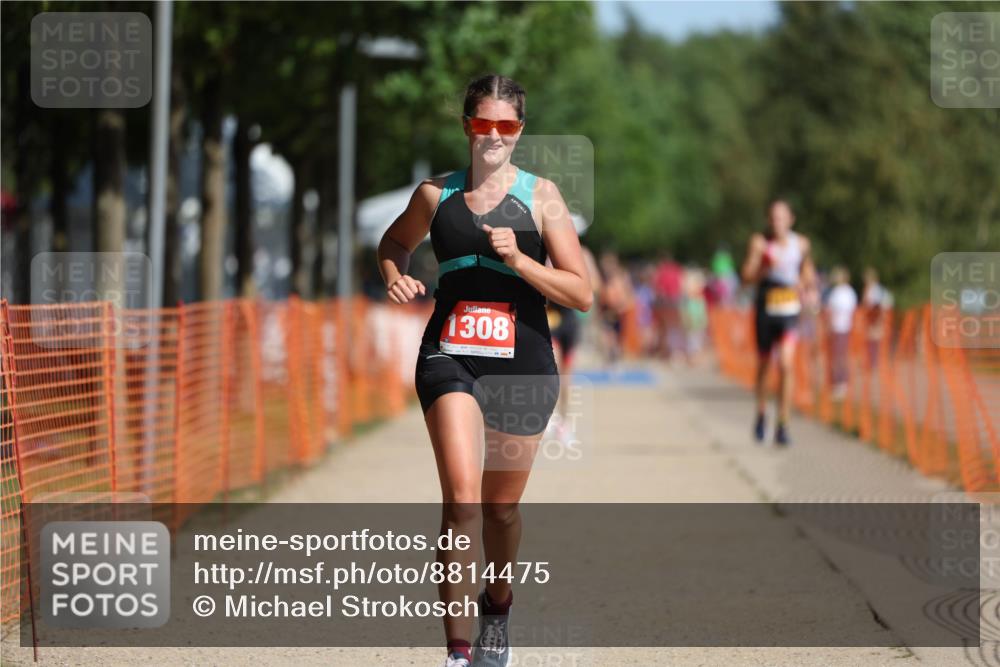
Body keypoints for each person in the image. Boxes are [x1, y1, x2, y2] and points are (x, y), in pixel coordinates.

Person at [376, 74, 592, 667]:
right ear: (466, 126)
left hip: (524, 361)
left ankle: (497, 603)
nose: (493, 136)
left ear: (519, 131)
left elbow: (580, 293)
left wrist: (520, 258)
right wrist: (396, 275)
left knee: (500, 509)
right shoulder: (434, 194)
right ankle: (458, 650)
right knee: (463, 502)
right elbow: (393, 244)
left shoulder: (542, 197)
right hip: (451, 354)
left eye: (506, 126)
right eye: (481, 124)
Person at [740, 199, 817, 446]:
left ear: (791, 220)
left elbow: (808, 274)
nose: (777, 223)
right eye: (773, 218)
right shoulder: (760, 243)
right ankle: (762, 413)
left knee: (785, 364)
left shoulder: (801, 244)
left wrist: (806, 286)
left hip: (789, 308)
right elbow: (746, 276)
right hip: (765, 305)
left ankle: (783, 423)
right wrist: (764, 266)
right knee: (764, 364)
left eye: (781, 218)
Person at [825, 266, 858, 400]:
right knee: (836, 356)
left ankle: (841, 382)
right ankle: (837, 382)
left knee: (841, 356)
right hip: (835, 328)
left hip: (843, 328)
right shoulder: (836, 292)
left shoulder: (848, 292)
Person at [861, 267, 892, 370]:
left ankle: (875, 362)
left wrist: (878, 318)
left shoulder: (876, 290)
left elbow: (877, 305)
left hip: (875, 317)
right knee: (873, 339)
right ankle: (874, 361)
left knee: (875, 338)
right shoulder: (873, 289)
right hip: (873, 317)